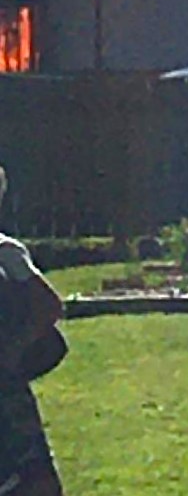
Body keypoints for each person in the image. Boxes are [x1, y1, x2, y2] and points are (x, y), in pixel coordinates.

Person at [0, 169, 64, 495]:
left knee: (31, 476)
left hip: (5, 389)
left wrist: (13, 350)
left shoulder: (4, 252)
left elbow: (49, 306)